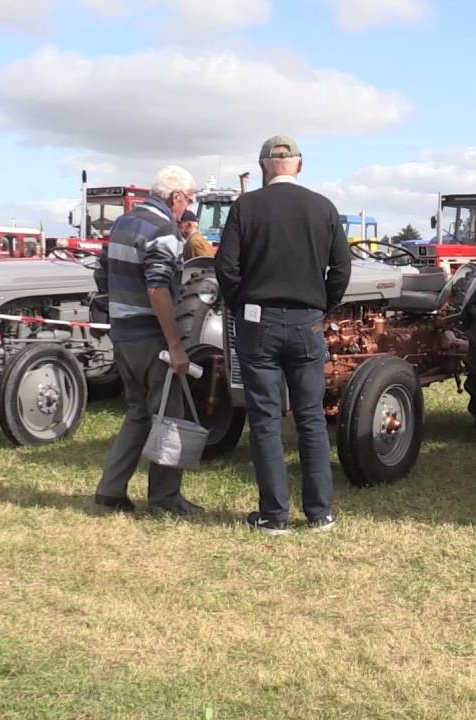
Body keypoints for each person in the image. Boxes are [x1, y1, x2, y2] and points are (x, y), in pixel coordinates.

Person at [216, 135, 351, 535]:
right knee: (310, 416)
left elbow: (226, 267)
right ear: (300, 165)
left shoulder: (246, 206)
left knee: (265, 418)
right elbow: (341, 269)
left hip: (258, 322)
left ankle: (274, 514)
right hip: (307, 321)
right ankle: (320, 512)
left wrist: (243, 305)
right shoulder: (323, 207)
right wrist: (320, 306)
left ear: (262, 167)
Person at [93, 165, 203, 517]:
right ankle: (165, 499)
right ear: (176, 197)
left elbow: (102, 273)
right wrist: (174, 344)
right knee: (170, 417)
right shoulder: (164, 230)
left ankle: (111, 491)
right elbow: (157, 287)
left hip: (122, 333)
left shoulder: (123, 224)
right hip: (151, 337)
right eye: (190, 198)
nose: (190, 207)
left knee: (138, 413)